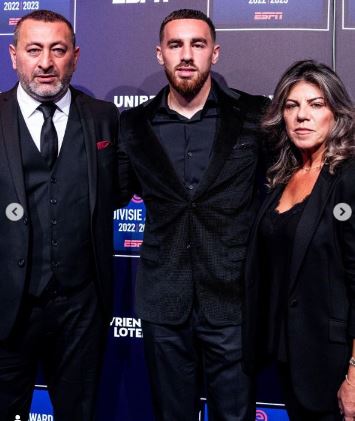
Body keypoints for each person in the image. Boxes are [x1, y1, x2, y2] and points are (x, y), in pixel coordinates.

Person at [118, 8, 269, 421]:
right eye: (175, 45)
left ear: (214, 53)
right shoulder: (132, 124)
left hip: (232, 300)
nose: (187, 55)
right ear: (159, 54)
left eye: (197, 44)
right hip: (163, 300)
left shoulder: (255, 116)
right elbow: (112, 191)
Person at [0, 10, 119, 421]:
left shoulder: (104, 118)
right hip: (7, 307)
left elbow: (116, 193)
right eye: (34, 50)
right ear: (14, 55)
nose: (46, 62)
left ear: (76, 56)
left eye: (58, 50)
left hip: (81, 307)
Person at [244, 59, 355, 421]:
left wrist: (354, 371)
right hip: (290, 356)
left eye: (315, 104)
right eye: (292, 106)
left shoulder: (348, 178)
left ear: (336, 113)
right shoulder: (282, 176)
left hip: (335, 360)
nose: (301, 116)